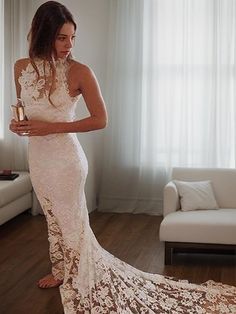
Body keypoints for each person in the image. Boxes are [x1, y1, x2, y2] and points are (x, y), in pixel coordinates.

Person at [9, 1, 236, 313]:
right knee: (53, 218)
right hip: (38, 159)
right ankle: (61, 270)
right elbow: (23, 113)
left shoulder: (79, 72)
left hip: (65, 161)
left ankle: (80, 275)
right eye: (62, 37)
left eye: (73, 37)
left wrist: (51, 127)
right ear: (43, 33)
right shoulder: (21, 68)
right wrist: (18, 125)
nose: (69, 45)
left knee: (72, 221)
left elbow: (100, 120)